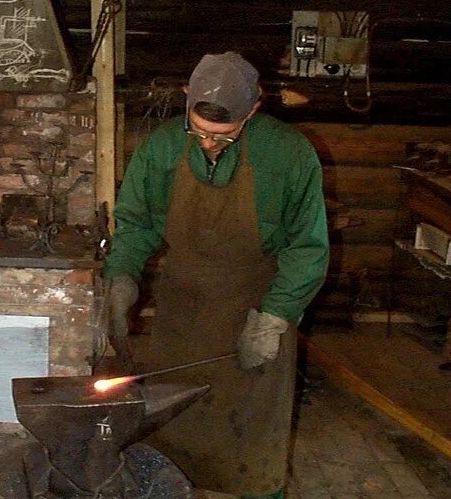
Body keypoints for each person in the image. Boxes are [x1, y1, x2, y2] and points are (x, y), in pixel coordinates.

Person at [104, 52, 329, 499]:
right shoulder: (162, 148)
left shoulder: (288, 155)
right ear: (187, 98)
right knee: (175, 430)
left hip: (257, 305)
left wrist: (274, 317)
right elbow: (136, 223)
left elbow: (307, 245)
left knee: (252, 439)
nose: (208, 144)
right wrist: (122, 279)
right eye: (200, 132)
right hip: (183, 308)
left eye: (224, 137)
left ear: (254, 109)